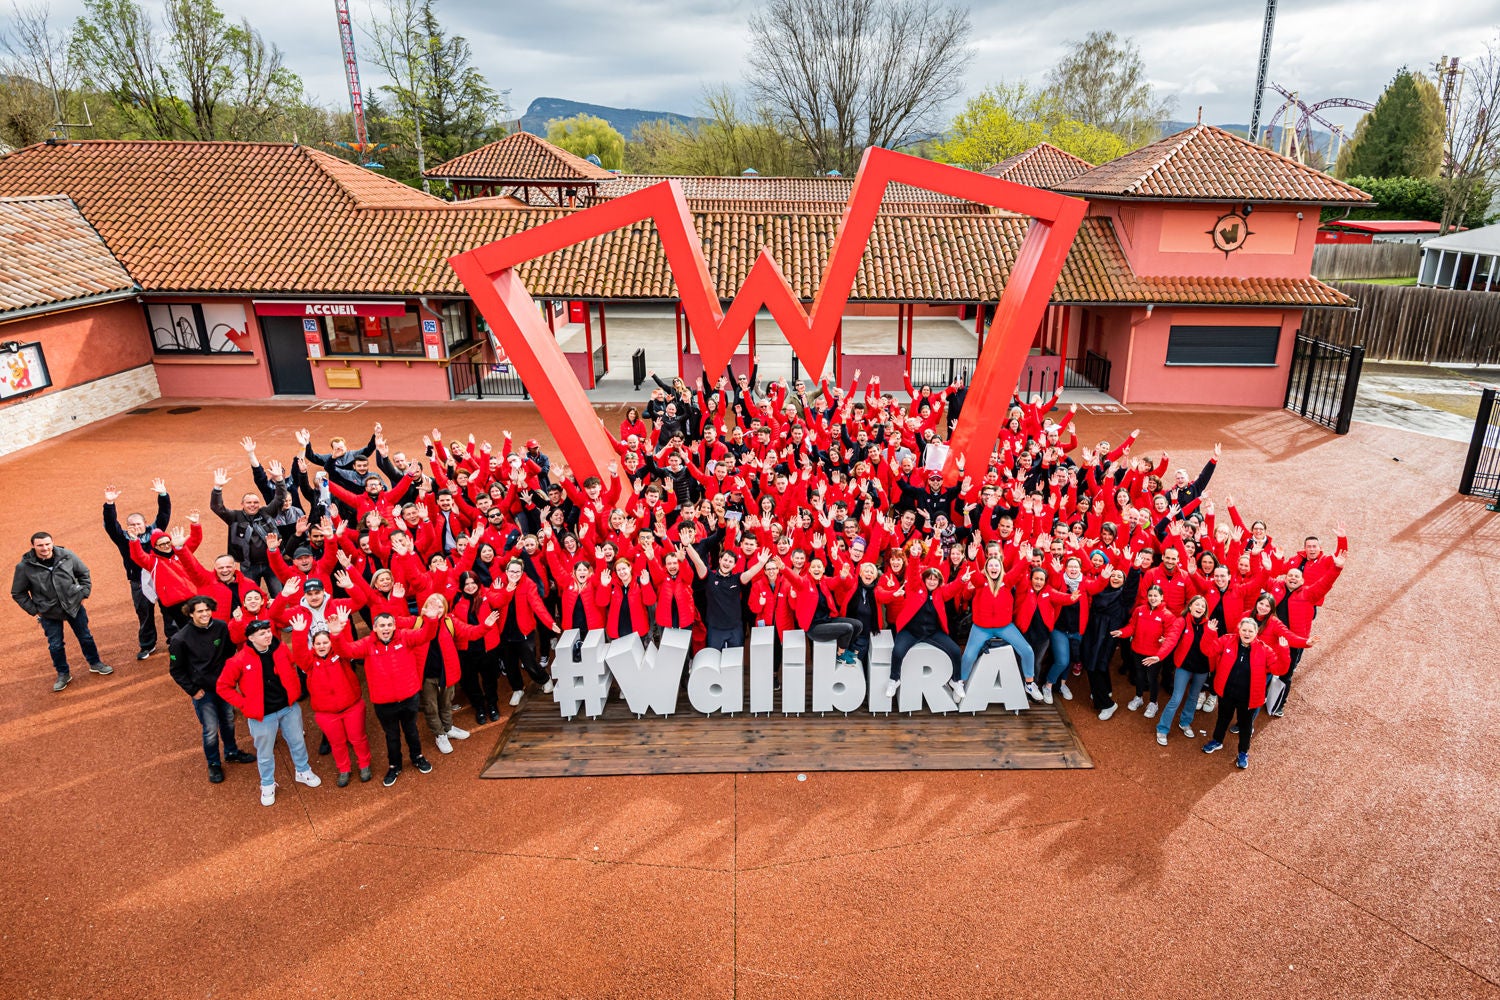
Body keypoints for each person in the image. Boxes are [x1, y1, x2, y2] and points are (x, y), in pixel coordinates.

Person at [217, 619, 322, 806]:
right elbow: (223, 687)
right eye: (262, 633)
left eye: (268, 631)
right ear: (250, 638)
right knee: (265, 753)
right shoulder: (238, 660)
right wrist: (244, 704)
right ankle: (267, 784)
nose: (267, 635)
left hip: (288, 708)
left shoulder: (280, 648)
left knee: (298, 742)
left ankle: (303, 770)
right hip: (262, 715)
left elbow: (291, 665)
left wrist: (294, 690)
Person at [334, 608, 438, 787]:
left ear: (394, 626)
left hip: (408, 697)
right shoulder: (367, 644)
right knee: (392, 736)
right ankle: (394, 766)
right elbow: (346, 651)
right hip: (384, 703)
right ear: (374, 628)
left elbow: (426, 635)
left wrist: (432, 619)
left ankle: (417, 757)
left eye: (389, 625)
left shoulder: (405, 636)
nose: (386, 628)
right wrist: (336, 634)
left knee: (411, 730)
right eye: (382, 625)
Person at [168, 595, 257, 782]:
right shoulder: (179, 639)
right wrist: (193, 690)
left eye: (207, 609)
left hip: (224, 687)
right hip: (203, 692)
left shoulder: (221, 627)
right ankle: (214, 764)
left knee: (229, 721)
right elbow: (176, 670)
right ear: (191, 614)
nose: (205, 614)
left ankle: (231, 752)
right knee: (210, 729)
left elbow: (229, 651)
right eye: (200, 611)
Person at [12, 532, 112, 692]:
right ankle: (63, 674)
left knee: (85, 637)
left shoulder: (67, 555)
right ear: (32, 546)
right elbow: (18, 593)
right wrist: (35, 611)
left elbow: (84, 573)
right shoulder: (24, 567)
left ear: (52, 543)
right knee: (55, 645)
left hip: (74, 605)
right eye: (40, 545)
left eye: (47, 544)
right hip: (48, 612)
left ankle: (95, 663)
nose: (44, 548)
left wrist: (83, 594)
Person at [290, 616, 373, 786]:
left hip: (352, 707)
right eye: (318, 643)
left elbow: (345, 646)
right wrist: (298, 633)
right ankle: (344, 769)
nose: (322, 646)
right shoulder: (309, 663)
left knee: (358, 738)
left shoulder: (341, 655)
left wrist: (338, 632)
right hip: (326, 713)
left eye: (325, 643)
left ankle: (364, 765)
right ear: (313, 646)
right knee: (337, 743)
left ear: (331, 643)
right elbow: (298, 653)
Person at [1201, 617, 1291, 769]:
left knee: (1245, 725)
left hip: (1249, 697)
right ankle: (1217, 741)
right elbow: (1207, 650)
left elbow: (1280, 669)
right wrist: (1210, 632)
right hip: (1227, 691)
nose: (1247, 633)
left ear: (1256, 633)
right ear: (1239, 630)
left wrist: (1284, 650)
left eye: (1250, 631)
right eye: (1244, 630)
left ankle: (1243, 752)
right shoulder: (1227, 640)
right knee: (1223, 718)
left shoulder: (1264, 650)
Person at [102, 481, 171, 659]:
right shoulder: (123, 538)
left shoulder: (156, 533)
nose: (134, 527)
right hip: (138, 583)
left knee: (169, 610)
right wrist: (110, 504)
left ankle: (174, 640)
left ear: (145, 523)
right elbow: (111, 525)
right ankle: (148, 645)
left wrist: (163, 495)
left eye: (138, 524)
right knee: (144, 614)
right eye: (131, 525)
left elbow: (164, 514)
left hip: (161, 578)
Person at [1154, 595, 1214, 746]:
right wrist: (1159, 656)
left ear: (1205, 610)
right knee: (1176, 698)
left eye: (1202, 606)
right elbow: (1172, 639)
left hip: (1202, 669)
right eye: (1197, 604)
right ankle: (1162, 728)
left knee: (1193, 697)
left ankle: (1185, 722)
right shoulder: (1181, 621)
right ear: (1190, 606)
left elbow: (1210, 648)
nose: (1199, 607)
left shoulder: (1210, 625)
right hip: (1184, 667)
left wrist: (1211, 632)